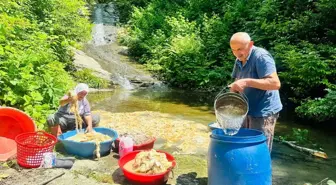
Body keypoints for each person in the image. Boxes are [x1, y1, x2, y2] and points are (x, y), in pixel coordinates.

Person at [229, 32, 282, 151]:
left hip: (263, 111)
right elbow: (238, 80)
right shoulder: (239, 58)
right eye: (233, 50)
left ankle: (260, 170)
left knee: (259, 149)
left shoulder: (261, 57)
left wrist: (247, 82)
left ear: (251, 44)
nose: (237, 53)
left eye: (240, 49)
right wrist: (232, 96)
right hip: (246, 109)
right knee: (243, 146)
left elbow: (275, 83)